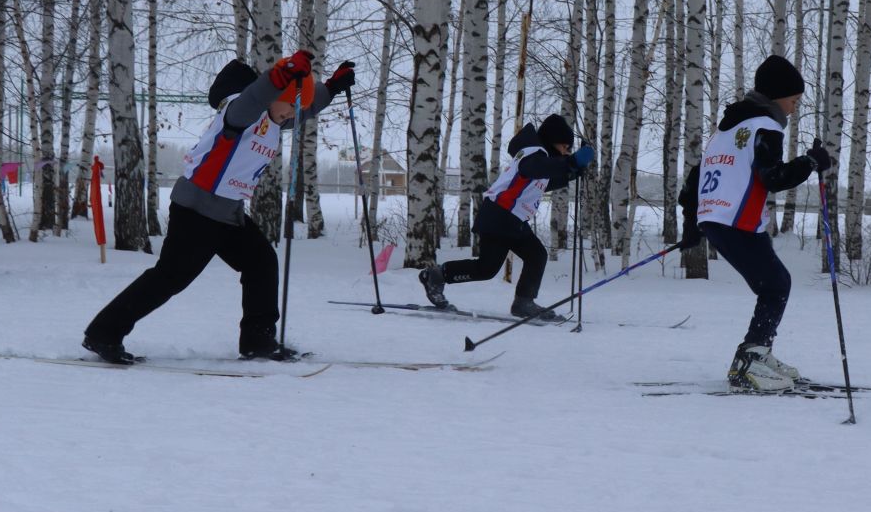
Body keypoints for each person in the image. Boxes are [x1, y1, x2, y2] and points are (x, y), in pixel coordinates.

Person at [83, 51, 353, 363]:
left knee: (261, 262)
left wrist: (331, 87)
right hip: (197, 209)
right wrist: (280, 75)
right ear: (275, 93)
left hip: (228, 212)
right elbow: (257, 97)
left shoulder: (276, 116)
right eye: (291, 106)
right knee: (170, 277)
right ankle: (103, 333)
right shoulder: (240, 113)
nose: (294, 115)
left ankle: (258, 341)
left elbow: (303, 106)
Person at [675, 54, 831, 392]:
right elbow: (772, 177)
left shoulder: (726, 129)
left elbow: (693, 179)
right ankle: (750, 360)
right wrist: (810, 162)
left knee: (773, 285)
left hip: (718, 219)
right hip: (737, 220)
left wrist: (693, 224)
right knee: (776, 285)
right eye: (793, 100)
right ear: (777, 96)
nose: (793, 108)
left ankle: (758, 353)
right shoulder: (766, 126)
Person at [418, 113, 593, 322]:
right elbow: (534, 169)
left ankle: (523, 303)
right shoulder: (533, 153)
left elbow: (543, 180)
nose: (566, 153)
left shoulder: (541, 157)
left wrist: (570, 173)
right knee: (486, 268)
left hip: (513, 219)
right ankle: (435, 276)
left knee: (536, 255)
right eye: (565, 148)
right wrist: (570, 163)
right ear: (553, 141)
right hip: (499, 215)